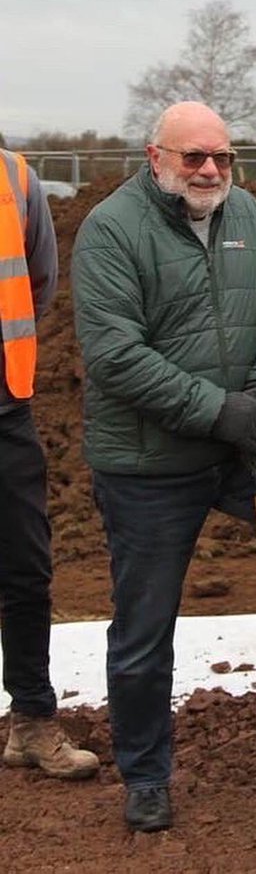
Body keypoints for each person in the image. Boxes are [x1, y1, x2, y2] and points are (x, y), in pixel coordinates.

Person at [70, 102, 256, 834]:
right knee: (144, 627)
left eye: (222, 157)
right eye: (193, 157)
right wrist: (216, 409)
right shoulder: (112, 231)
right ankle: (145, 774)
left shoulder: (245, 214)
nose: (210, 170)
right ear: (156, 157)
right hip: (148, 464)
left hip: (242, 447)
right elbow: (115, 356)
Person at [1, 149, 99, 781]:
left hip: (5, 405)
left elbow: (39, 284)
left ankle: (32, 722)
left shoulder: (16, 179)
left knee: (26, 570)